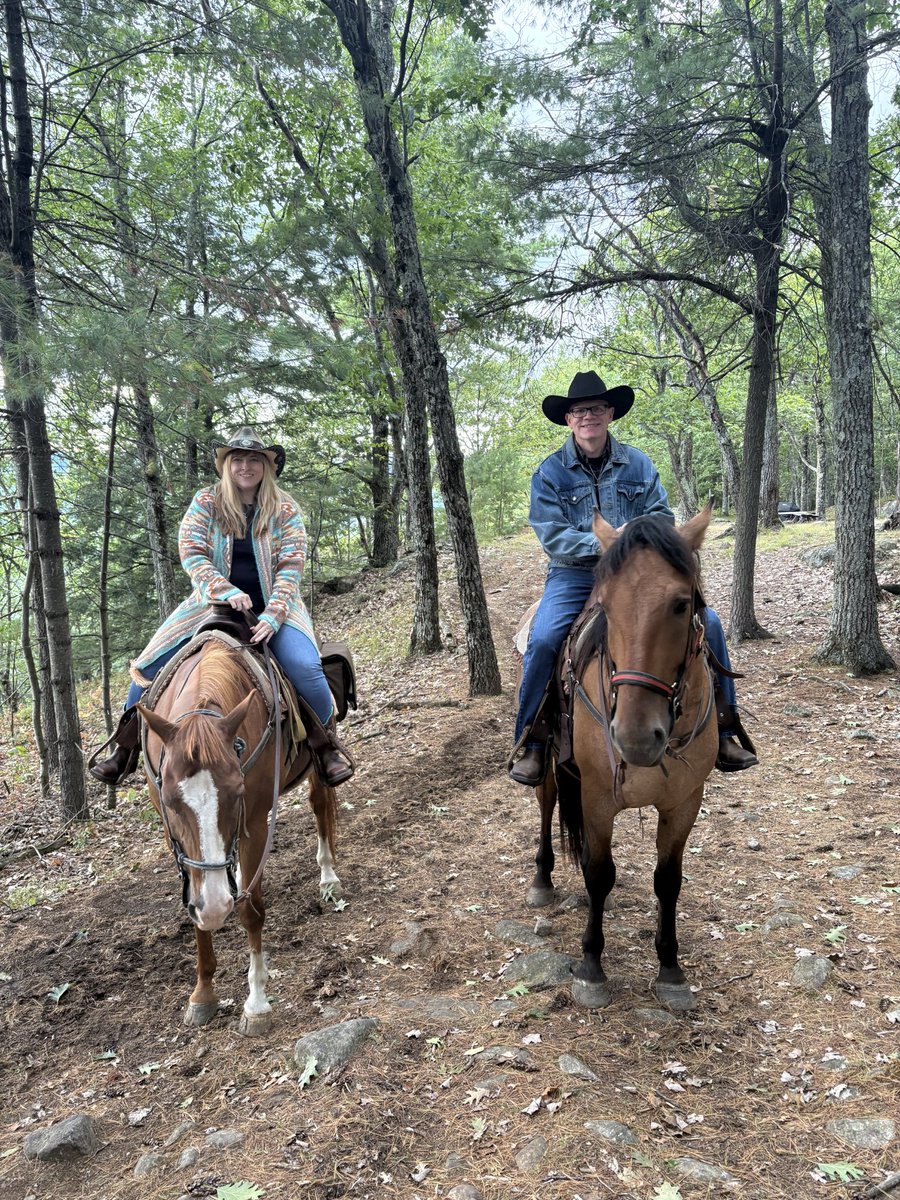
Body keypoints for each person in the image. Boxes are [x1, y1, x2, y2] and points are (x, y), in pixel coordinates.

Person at [509, 370, 758, 786]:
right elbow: (551, 534)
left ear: (610, 413)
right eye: (579, 410)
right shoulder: (550, 472)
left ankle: (726, 728)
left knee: (708, 624)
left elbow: (661, 516)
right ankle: (532, 741)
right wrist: (607, 542)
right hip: (574, 574)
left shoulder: (638, 464)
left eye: (596, 408)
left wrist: (632, 543)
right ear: (569, 419)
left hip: (636, 574)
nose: (588, 416)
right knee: (546, 637)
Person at [90, 427, 354, 789]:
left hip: (275, 605)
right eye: (238, 459)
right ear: (227, 465)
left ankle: (325, 746)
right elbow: (192, 553)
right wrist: (224, 589)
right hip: (210, 604)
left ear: (267, 466)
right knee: (147, 667)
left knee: (304, 667)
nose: (246, 466)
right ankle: (124, 750)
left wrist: (274, 615)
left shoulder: (285, 508)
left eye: (254, 460)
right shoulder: (206, 502)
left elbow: (291, 567)